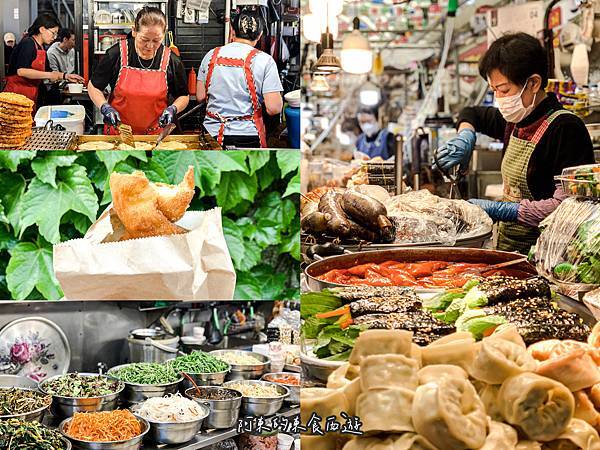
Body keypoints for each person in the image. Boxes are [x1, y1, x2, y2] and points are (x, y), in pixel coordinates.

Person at [434, 33, 594, 254]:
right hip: (511, 248)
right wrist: (465, 137)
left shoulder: (566, 129)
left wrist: (504, 210)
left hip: (550, 254)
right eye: (494, 90)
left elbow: (570, 207)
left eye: (505, 90)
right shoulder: (515, 120)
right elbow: (471, 113)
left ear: (534, 83)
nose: (500, 98)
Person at [88, 6, 189, 135]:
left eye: (157, 40)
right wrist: (104, 107)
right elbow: (94, 87)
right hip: (120, 134)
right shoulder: (116, 54)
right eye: (145, 39)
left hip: (155, 136)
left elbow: (183, 96)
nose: (150, 46)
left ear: (163, 35)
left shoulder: (171, 60)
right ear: (134, 31)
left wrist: (173, 109)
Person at [196, 6, 283, 148]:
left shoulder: (211, 55)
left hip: (211, 134)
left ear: (233, 31)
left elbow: (200, 96)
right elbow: (274, 108)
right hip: (247, 136)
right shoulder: (265, 61)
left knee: (209, 170)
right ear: (260, 34)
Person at [4, 14, 83, 108]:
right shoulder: (28, 43)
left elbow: (49, 72)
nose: (55, 37)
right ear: (42, 29)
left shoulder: (41, 48)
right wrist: (51, 75)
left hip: (30, 95)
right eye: (53, 33)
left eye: (56, 34)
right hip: (16, 95)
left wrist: (66, 76)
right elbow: (22, 71)